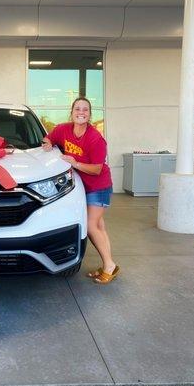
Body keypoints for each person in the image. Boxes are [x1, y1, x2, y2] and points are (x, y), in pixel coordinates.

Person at [42, 97, 119, 284]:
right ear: (72, 111)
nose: (81, 112)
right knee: (99, 226)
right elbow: (48, 138)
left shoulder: (96, 139)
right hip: (81, 186)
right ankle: (110, 264)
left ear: (90, 114)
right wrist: (48, 144)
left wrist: (75, 163)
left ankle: (109, 266)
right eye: (78, 108)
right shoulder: (63, 129)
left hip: (99, 186)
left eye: (85, 109)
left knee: (91, 226)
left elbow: (97, 169)